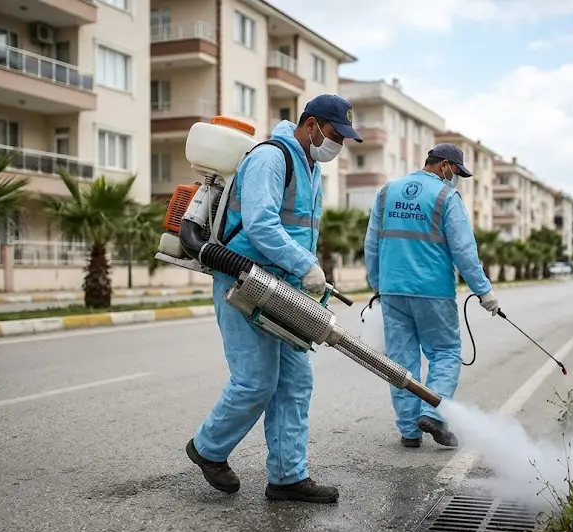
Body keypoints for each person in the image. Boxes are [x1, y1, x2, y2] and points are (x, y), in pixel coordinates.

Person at [185, 94, 362, 504]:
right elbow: (261, 225)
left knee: (295, 384)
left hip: (286, 288)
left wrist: (305, 273)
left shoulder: (310, 164)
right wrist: (306, 264)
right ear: (312, 124)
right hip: (243, 282)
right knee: (255, 381)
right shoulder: (272, 158)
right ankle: (208, 449)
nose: (337, 144)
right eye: (335, 134)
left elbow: (295, 229)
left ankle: (287, 477)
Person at [363, 144, 500, 448]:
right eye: (457, 173)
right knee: (446, 352)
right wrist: (483, 291)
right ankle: (433, 413)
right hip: (433, 291)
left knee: (401, 361)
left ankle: (410, 431)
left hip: (392, 289)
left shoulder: (387, 192)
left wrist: (377, 284)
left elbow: (371, 242)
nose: (456, 179)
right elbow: (464, 250)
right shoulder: (446, 196)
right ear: (445, 167)